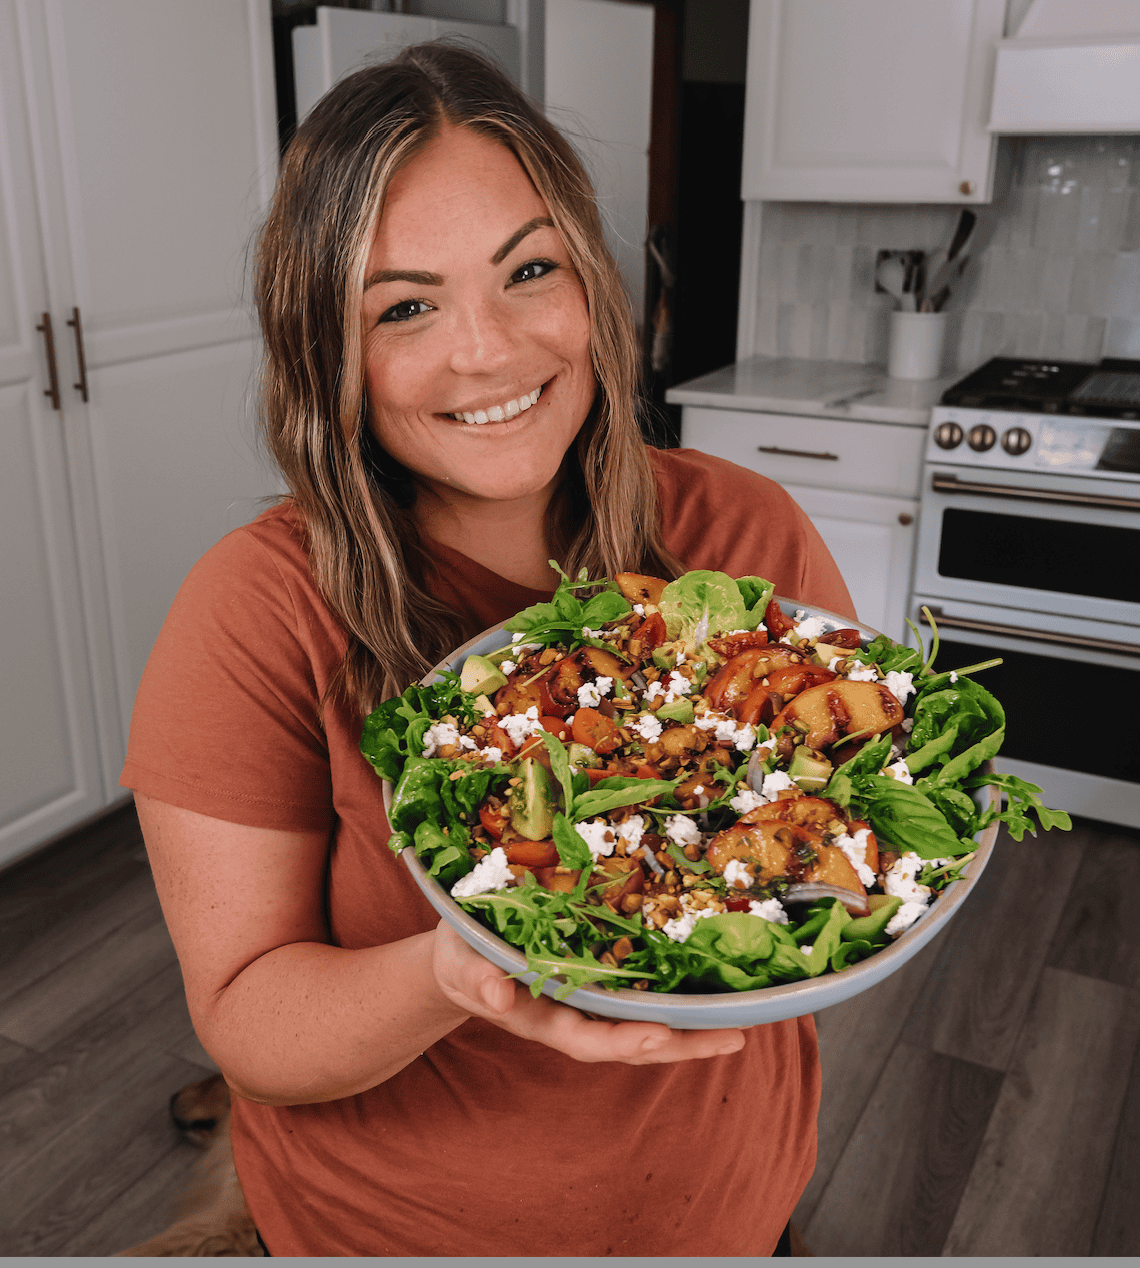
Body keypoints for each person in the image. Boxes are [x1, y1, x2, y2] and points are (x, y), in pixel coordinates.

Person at [122, 42, 855, 1257]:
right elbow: (249, 1017)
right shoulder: (255, 611)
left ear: (594, 283)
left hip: (733, 1205)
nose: (491, 349)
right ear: (327, 354)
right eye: (405, 306)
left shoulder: (743, 530)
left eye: (531, 270)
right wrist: (460, 972)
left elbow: (847, 825)